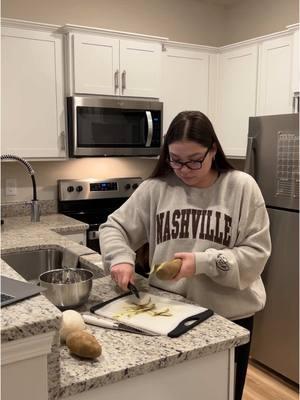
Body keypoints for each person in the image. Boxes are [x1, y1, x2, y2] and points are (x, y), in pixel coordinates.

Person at [99, 110, 271, 400]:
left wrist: (202, 263)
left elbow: (256, 253)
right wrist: (120, 257)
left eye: (194, 160)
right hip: (164, 314)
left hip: (228, 318)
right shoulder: (155, 188)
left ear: (213, 150)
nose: (184, 169)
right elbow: (113, 227)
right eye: (175, 159)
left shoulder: (241, 187)